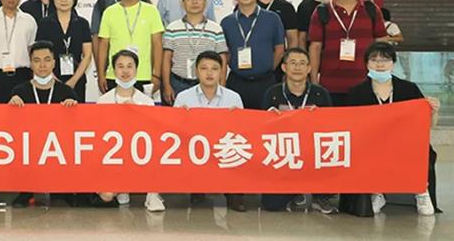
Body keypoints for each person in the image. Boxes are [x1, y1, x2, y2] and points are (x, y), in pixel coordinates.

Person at [339, 42, 441, 217]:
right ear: (366, 64)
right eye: (374, 60)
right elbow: (349, 125)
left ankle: (421, 190)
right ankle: (377, 191)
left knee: (423, 149)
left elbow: (427, 125)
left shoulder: (408, 89)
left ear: (393, 63)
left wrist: (434, 111)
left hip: (404, 143)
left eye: (385, 60)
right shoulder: (357, 92)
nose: (380, 64)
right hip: (371, 143)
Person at [258, 48, 336, 214]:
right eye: (293, 63)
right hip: (284, 153)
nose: (297, 67)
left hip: (313, 151)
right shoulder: (273, 93)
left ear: (309, 68)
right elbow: (261, 129)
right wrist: (270, 117)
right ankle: (295, 193)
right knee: (271, 205)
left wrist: (320, 117)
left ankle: (319, 196)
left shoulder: (320, 94)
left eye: (302, 64)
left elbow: (331, 129)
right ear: (284, 67)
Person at [8, 41, 79, 208]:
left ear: (54, 62)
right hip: (30, 144)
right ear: (31, 63)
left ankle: (61, 191)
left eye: (47, 60)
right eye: (37, 60)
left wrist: (73, 108)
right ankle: (26, 191)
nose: (42, 65)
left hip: (58, 144)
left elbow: (77, 126)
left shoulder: (66, 91)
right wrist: (12, 104)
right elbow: (10, 124)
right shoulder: (20, 91)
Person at [173, 51, 246, 212]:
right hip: (196, 149)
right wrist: (181, 117)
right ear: (196, 71)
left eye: (214, 69)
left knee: (237, 149)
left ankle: (234, 193)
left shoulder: (233, 98)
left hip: (223, 147)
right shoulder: (183, 98)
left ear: (221, 72)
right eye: (204, 68)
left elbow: (242, 132)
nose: (209, 73)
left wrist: (236, 119)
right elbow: (175, 131)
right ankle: (197, 189)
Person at [308, 0, 387, 106]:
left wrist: (381, 75)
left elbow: (382, 43)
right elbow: (315, 48)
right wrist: (313, 81)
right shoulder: (321, 11)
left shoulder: (371, 10)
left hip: (366, 84)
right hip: (330, 86)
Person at [95, 50, 164, 212]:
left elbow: (152, 136)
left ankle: (152, 194)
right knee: (106, 195)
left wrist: (137, 114)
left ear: (136, 70)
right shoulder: (103, 101)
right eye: (120, 66)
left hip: (140, 155)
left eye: (129, 66)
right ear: (113, 71)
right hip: (113, 157)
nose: (125, 71)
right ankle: (122, 188)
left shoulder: (146, 101)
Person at [221, 0, 285, 109]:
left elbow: (279, 49)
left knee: (266, 119)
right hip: (237, 82)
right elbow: (225, 53)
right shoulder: (227, 22)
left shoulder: (272, 18)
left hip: (266, 82)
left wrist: (266, 69)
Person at [96, 0, 164, 94]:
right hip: (114, 75)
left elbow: (157, 44)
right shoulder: (109, 12)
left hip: (144, 75)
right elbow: (103, 45)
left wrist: (157, 74)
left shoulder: (151, 11)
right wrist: (101, 75)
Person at [162, 0, 227, 105]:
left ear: (205, 2)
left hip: (207, 84)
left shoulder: (216, 29)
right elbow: (166, 59)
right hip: (178, 83)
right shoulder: (172, 28)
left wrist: (222, 86)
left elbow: (222, 59)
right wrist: (166, 85)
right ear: (182, 4)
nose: (194, 2)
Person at [35, 0, 93, 102]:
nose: (64, 0)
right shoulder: (44, 24)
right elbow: (39, 54)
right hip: (50, 80)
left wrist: (74, 80)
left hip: (77, 79)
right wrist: (53, 79)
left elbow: (87, 55)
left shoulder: (82, 23)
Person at [90, 0, 151, 65]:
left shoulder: (144, 1)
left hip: (142, 64)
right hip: (112, 66)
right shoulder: (102, 3)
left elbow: (154, 37)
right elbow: (96, 37)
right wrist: (100, 67)